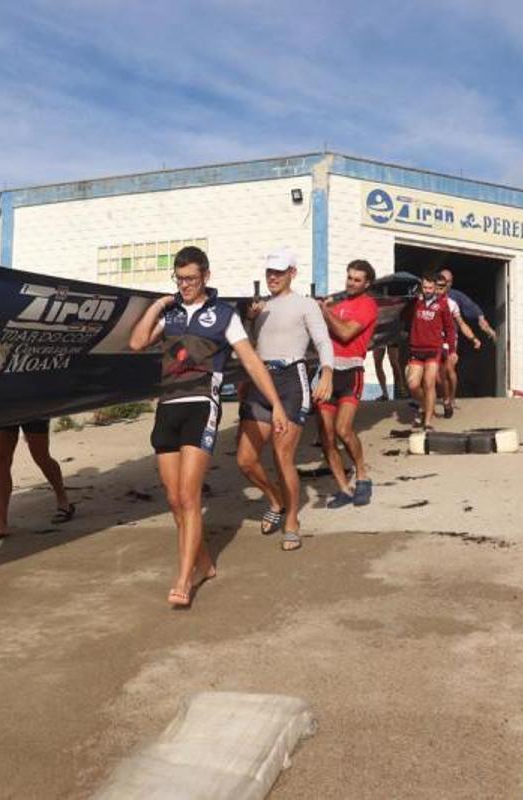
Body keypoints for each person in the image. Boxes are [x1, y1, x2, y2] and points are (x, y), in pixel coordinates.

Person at [129, 245, 287, 606]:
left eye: (191, 279)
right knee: (172, 499)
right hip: (168, 407)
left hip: (203, 405)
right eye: (180, 279)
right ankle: (203, 562)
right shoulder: (169, 316)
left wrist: (276, 404)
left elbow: (250, 361)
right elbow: (137, 342)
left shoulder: (223, 314)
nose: (185, 285)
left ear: (206, 277)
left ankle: (185, 579)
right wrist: (157, 305)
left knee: (189, 496)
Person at [239, 249, 334, 552]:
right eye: (269, 272)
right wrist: (249, 320)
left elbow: (322, 341)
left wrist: (328, 373)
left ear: (293, 272)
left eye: (279, 272)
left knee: (283, 456)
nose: (273, 277)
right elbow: (249, 348)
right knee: (245, 460)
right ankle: (275, 500)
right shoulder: (261, 308)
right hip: (260, 382)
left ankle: (292, 520)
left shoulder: (306, 304)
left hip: (292, 381)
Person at [319, 260, 379, 508]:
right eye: (349, 278)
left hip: (351, 371)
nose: (351, 283)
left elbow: (345, 333)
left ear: (367, 284)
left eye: (357, 280)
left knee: (344, 430)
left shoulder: (368, 306)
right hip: (328, 372)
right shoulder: (339, 303)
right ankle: (343, 487)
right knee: (326, 436)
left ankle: (362, 477)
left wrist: (324, 311)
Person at [0, 420, 74, 540]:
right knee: (1, 458)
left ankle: (63, 500)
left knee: (40, 455)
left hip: (31, 407)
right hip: (1, 405)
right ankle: (0, 524)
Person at [405, 273, 456, 430]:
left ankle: (427, 421)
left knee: (429, 383)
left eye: (430, 287)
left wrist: (451, 349)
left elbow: (450, 328)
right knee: (413, 384)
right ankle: (424, 405)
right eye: (425, 287)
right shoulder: (415, 302)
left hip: (434, 350)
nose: (427, 290)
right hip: (416, 349)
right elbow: (404, 317)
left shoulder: (442, 304)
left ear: (435, 287)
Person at [434, 270, 483, 418]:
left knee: (449, 369)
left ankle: (451, 399)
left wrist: (473, 338)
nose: (444, 286)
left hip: (450, 340)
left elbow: (462, 324)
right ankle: (444, 398)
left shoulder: (453, 302)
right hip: (433, 340)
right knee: (437, 375)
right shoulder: (426, 300)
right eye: (441, 284)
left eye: (447, 283)